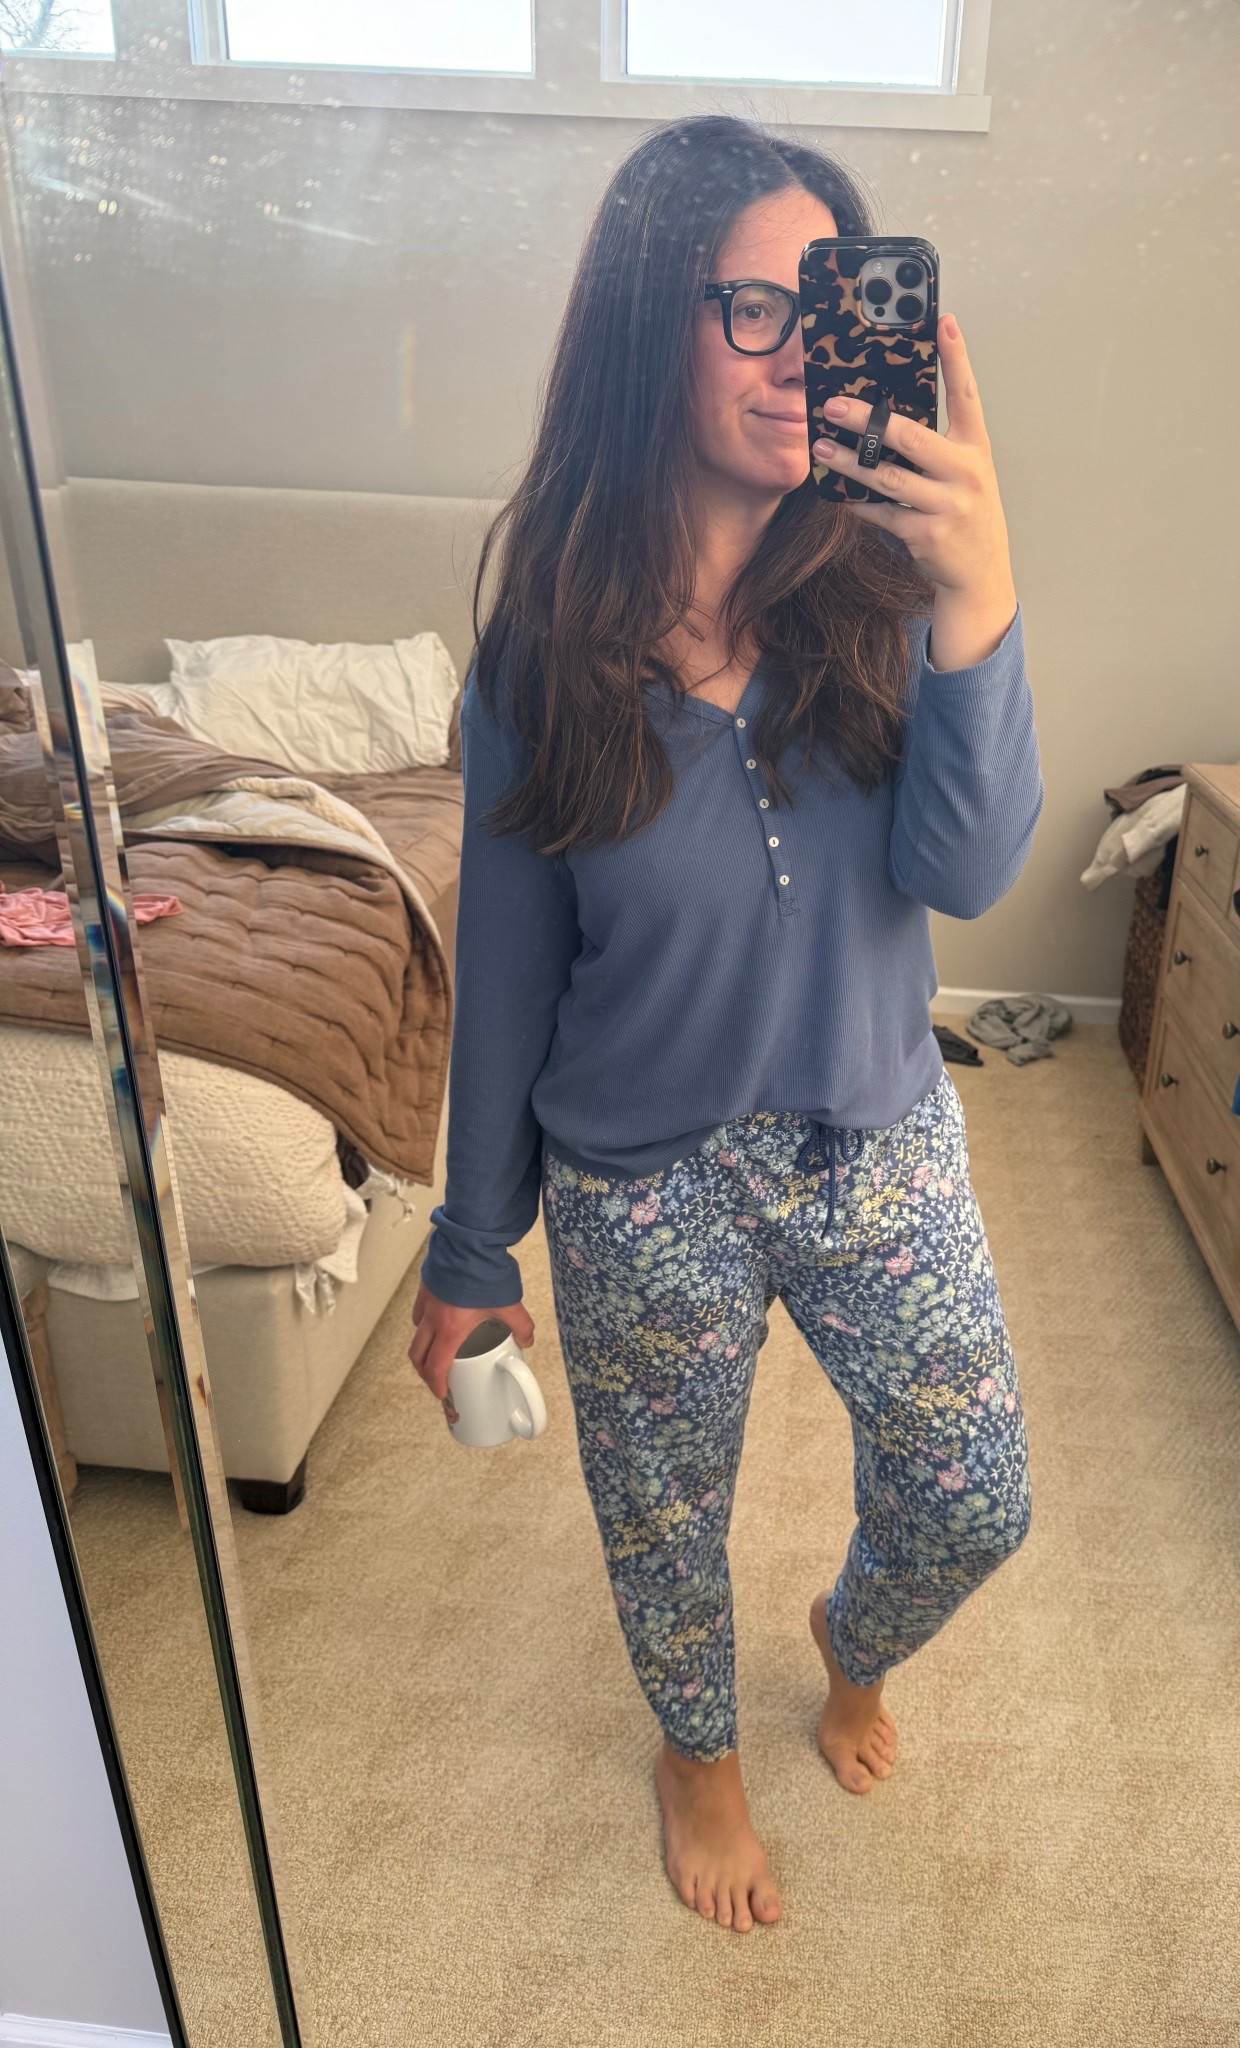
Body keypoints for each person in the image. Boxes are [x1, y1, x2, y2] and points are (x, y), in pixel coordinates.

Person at [409, 113, 1044, 1937]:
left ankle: (852, 1639)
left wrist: (979, 594)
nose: (798, 358)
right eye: (752, 309)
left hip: (874, 1137)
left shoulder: (891, 589)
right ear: (648, 320)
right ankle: (696, 1753)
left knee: (974, 1492)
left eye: (828, 312)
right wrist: (472, 1244)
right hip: (640, 1180)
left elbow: (968, 868)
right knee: (662, 1513)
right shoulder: (544, 653)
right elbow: (511, 968)